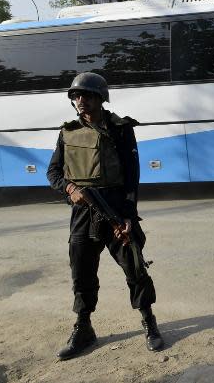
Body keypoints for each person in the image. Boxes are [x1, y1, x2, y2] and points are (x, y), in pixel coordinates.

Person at [47, 72, 164, 360]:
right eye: (76, 96)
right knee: (82, 272)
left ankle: (149, 321)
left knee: (134, 266)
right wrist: (69, 187)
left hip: (114, 207)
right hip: (82, 212)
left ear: (100, 98)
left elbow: (131, 177)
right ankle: (84, 327)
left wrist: (128, 216)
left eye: (86, 95)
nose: (80, 101)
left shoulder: (120, 129)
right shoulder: (67, 132)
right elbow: (53, 172)